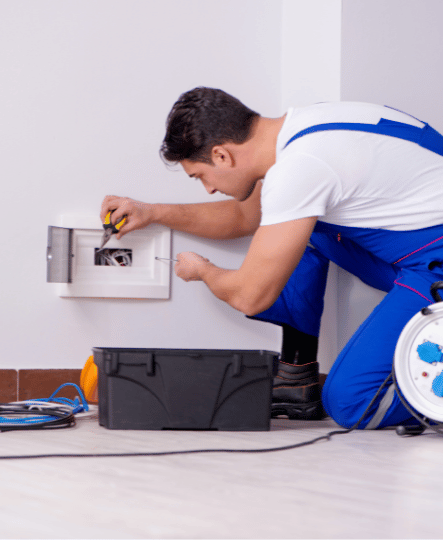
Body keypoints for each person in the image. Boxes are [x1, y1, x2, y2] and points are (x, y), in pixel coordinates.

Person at [101, 87, 443, 428]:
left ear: (221, 155)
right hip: (418, 250)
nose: (207, 188)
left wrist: (204, 271)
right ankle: (297, 377)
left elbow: (251, 296)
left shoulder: (300, 168)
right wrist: (152, 212)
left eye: (200, 176)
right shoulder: (302, 130)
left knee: (355, 403)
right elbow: (246, 218)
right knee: (303, 230)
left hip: (433, 260)